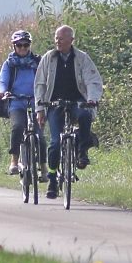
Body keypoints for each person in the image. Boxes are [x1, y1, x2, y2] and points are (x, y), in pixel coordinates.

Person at [35, 23, 103, 200]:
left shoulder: (82, 58)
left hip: (77, 101)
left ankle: (82, 151)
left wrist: (92, 99)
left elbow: (92, 80)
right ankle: (52, 179)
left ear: (71, 40)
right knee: (55, 143)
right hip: (54, 103)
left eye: (62, 38)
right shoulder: (48, 58)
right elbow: (40, 84)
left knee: (85, 116)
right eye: (56, 38)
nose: (58, 41)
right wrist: (40, 108)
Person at [0, 29, 40, 175]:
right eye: (19, 45)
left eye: (25, 45)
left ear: (29, 46)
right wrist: (3, 92)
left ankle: (43, 166)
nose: (22, 48)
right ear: (14, 46)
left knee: (40, 134)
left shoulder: (37, 62)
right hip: (16, 101)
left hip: (35, 101)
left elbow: (44, 80)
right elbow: (2, 80)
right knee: (17, 127)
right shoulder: (9, 64)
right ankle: (14, 160)